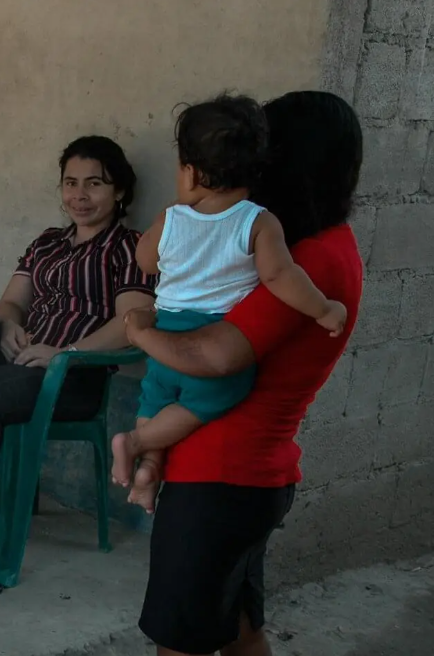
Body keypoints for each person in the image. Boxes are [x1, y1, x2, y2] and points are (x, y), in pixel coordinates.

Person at [64, 90, 364, 656]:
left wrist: (136, 326)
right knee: (240, 632)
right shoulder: (318, 245)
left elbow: (211, 355)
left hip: (218, 478)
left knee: (184, 650)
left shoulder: (301, 258)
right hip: (260, 473)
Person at [110, 94, 348, 503]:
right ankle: (136, 446)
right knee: (216, 396)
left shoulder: (171, 217)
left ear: (190, 172)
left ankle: (148, 467)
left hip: (165, 328)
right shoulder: (258, 222)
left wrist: (166, 230)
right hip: (205, 332)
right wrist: (324, 309)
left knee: (156, 394)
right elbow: (279, 275)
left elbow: (145, 261)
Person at [0, 136, 157, 503]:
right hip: (17, 362)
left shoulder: (131, 247)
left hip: (71, 378)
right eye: (71, 183)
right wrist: (7, 325)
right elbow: (11, 302)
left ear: (118, 192)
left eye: (94, 183)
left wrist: (63, 352)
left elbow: (132, 322)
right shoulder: (48, 242)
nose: (80, 195)